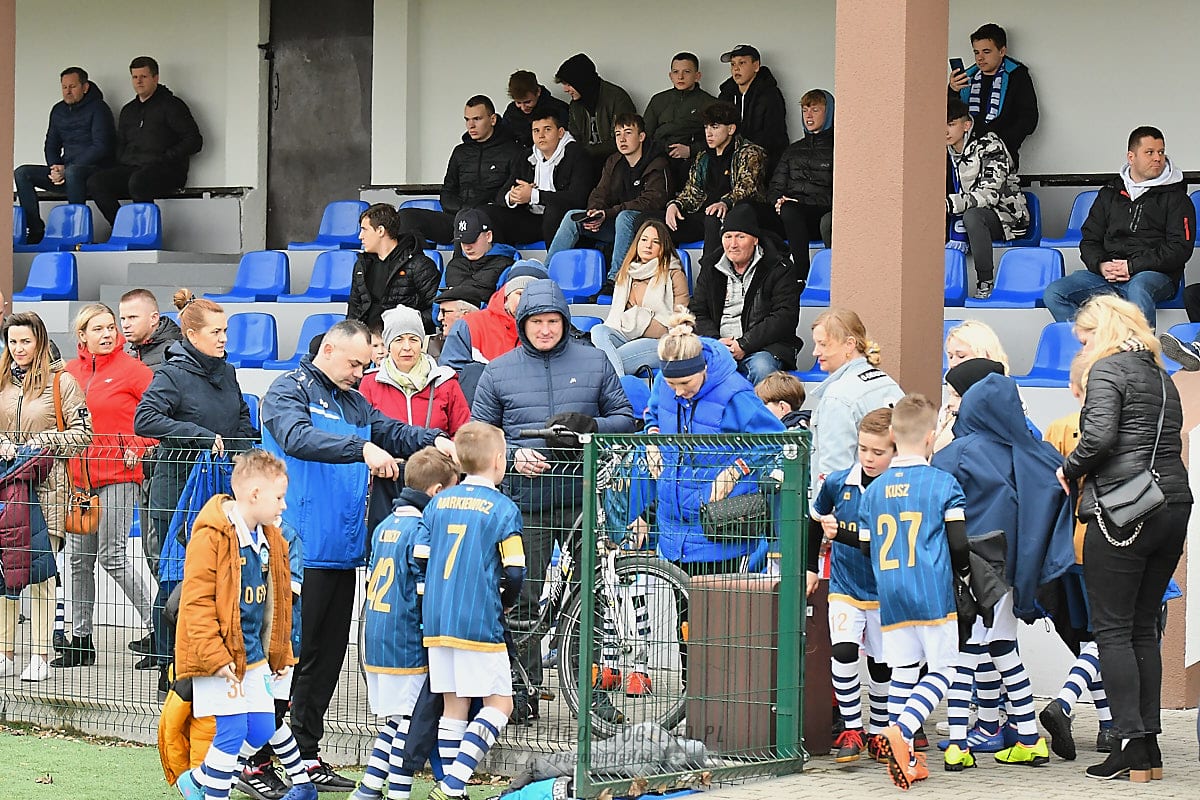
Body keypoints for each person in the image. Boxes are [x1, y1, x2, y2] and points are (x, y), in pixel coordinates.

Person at [260, 320, 453, 789]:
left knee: (326, 660)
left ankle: (305, 754)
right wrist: (360, 447)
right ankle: (259, 758)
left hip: (343, 551)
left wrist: (434, 439)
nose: (359, 373)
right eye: (354, 364)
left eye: (365, 366)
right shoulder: (287, 390)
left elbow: (389, 430)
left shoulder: (354, 400)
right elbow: (297, 438)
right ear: (328, 349)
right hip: (297, 549)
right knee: (286, 659)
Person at [471, 279, 636, 721]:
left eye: (552, 321)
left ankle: (588, 696)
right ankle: (521, 690)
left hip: (583, 499)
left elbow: (626, 418)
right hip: (525, 504)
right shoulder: (498, 371)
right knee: (522, 598)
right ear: (523, 324)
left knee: (591, 599)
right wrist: (512, 455)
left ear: (564, 321)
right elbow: (478, 434)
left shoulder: (595, 361)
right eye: (536, 322)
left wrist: (592, 426)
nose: (545, 329)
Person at [1058, 294, 1191, 781]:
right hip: (1173, 504)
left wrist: (1069, 469)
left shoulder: (1108, 370)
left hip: (1123, 508)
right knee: (1142, 628)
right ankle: (1149, 749)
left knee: (1112, 629)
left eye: (1085, 338)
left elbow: (1097, 439)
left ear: (1106, 331)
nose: (1083, 348)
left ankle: (1130, 744)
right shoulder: (1161, 374)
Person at [932, 364, 1067, 770]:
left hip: (969, 566)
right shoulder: (1035, 454)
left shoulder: (957, 453)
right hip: (1013, 569)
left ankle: (959, 744)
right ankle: (1029, 738)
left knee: (966, 651)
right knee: (1004, 646)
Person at [171, 450, 316, 800]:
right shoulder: (211, 536)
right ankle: (212, 792)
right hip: (220, 654)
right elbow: (196, 603)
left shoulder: (272, 539)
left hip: (253, 653)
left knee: (263, 727)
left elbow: (278, 605)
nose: (284, 505)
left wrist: (279, 653)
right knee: (232, 730)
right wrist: (215, 656)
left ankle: (199, 779)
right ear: (254, 495)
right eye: (278, 498)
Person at [134, 290, 258, 687]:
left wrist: (239, 450)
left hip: (220, 487)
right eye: (216, 332)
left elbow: (242, 419)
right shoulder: (171, 375)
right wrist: (198, 436)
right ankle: (170, 666)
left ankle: (207, 660)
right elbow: (145, 419)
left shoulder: (229, 372)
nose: (224, 338)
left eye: (225, 331)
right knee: (180, 577)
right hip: (177, 491)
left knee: (214, 576)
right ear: (191, 334)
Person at [863, 395, 971, 790]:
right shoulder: (943, 484)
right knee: (944, 670)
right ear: (930, 437)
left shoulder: (874, 490)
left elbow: (866, 545)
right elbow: (958, 544)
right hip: (931, 590)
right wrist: (964, 575)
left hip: (891, 591)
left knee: (904, 672)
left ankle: (905, 756)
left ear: (892, 434)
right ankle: (903, 729)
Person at [420, 422, 525, 800]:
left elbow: (420, 556)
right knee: (501, 704)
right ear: (498, 460)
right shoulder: (503, 508)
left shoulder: (438, 503)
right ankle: (454, 784)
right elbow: (515, 570)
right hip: (478, 620)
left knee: (454, 706)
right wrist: (507, 601)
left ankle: (451, 786)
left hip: (437, 618)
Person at [54, 304, 156, 669]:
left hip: (118, 476)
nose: (108, 334)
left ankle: (159, 626)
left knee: (112, 556)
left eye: (111, 327)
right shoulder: (68, 372)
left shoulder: (135, 371)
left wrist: (139, 446)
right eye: (98, 329)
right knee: (78, 560)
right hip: (79, 481)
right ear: (82, 335)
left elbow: (160, 417)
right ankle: (80, 640)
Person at [357, 447, 458, 800]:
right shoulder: (421, 530)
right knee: (411, 725)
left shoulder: (385, 524)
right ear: (437, 492)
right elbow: (422, 592)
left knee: (397, 720)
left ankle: (369, 789)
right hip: (405, 642)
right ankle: (396, 794)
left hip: (376, 638)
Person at [0, 312, 93, 682]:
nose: (18, 348)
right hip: (6, 488)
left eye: (25, 341)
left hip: (47, 491)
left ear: (39, 341)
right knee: (4, 575)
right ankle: (5, 652)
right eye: (12, 341)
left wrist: (44, 441)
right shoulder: (1, 379)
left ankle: (40, 654)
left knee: (41, 577)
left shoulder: (62, 381)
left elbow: (84, 433)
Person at [1038, 355, 1116, 761]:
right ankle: (1065, 701)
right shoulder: (1120, 424)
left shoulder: (1059, 428)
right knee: (1109, 635)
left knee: (1091, 637)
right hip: (1112, 542)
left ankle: (1108, 725)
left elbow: (1049, 489)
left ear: (1073, 388)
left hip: (1072, 546)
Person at [1043, 126, 1195, 329]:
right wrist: (1101, 265)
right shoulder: (1109, 193)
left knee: (1138, 289)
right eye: (1149, 152)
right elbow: (1090, 240)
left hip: (1155, 275)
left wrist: (1131, 267)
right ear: (1131, 157)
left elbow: (1179, 249)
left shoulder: (1177, 198)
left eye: (1161, 152)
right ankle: (1095, 343)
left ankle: (1141, 349)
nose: (1157, 158)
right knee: (1055, 293)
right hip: (1107, 275)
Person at [812, 409, 895, 762]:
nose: (869, 458)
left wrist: (839, 534)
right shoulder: (838, 482)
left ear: (895, 450)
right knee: (844, 651)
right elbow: (816, 519)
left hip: (887, 590)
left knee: (881, 663)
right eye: (863, 449)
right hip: (845, 586)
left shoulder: (899, 488)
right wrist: (810, 568)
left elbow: (875, 542)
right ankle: (852, 728)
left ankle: (879, 730)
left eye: (878, 452)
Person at [359, 305, 471, 533]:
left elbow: (463, 433)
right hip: (387, 484)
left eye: (413, 339)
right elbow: (363, 433)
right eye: (398, 339)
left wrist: (447, 466)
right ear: (387, 344)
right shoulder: (370, 383)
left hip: (438, 486)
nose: (407, 347)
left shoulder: (446, 382)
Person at [546, 113, 671, 286]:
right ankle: (546, 273)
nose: (622, 139)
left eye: (628, 133)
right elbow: (600, 192)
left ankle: (614, 279)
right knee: (572, 217)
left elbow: (651, 201)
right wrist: (595, 212)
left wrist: (610, 212)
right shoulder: (614, 161)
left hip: (647, 228)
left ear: (641, 136)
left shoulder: (657, 163)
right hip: (618, 224)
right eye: (618, 134)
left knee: (624, 217)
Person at [689, 204, 800, 384]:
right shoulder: (710, 267)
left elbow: (785, 316)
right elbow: (697, 311)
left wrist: (744, 344)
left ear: (755, 240)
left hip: (763, 348)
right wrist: (716, 342)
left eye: (740, 237)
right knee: (683, 364)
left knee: (762, 368)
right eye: (728, 237)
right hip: (718, 346)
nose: (733, 244)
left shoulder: (778, 267)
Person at [86, 56, 202, 228]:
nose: (138, 81)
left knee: (139, 181)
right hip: (133, 168)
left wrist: (166, 157)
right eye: (135, 77)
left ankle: (144, 233)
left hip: (166, 170)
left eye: (144, 76)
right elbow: (121, 143)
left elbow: (194, 140)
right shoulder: (128, 110)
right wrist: (122, 159)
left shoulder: (172, 105)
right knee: (96, 182)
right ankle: (124, 228)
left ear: (156, 78)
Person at [395, 96, 523, 246]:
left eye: (477, 119)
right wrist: (464, 210)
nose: (471, 125)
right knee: (405, 217)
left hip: (491, 222)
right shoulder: (460, 152)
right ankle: (419, 260)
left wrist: (475, 212)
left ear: (493, 120)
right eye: (467, 120)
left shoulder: (513, 152)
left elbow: (508, 196)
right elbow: (447, 193)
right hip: (457, 218)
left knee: (482, 217)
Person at [807, 308, 904, 500]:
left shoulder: (837, 397)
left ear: (849, 345)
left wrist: (825, 510)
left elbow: (834, 473)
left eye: (823, 344)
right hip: (893, 500)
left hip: (853, 509)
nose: (815, 352)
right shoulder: (887, 381)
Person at [14, 66, 115, 244]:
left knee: (73, 172)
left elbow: (101, 147)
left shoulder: (99, 108)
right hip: (66, 171)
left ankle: (76, 232)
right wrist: (54, 168)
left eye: (73, 86)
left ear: (85, 87)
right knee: (22, 173)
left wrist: (66, 169)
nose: (68, 91)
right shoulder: (58, 110)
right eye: (64, 87)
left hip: (94, 171)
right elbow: (51, 144)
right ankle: (35, 231)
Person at [945, 98, 1030, 299]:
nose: (944, 131)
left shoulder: (990, 145)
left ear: (966, 125)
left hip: (1005, 216)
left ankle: (985, 282)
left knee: (973, 216)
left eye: (951, 124)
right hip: (963, 211)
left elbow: (990, 195)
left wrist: (950, 204)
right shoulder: (940, 150)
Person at [664, 101, 767, 258]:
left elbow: (747, 188)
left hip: (734, 217)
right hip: (703, 216)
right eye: (706, 127)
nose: (709, 133)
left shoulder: (749, 153)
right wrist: (675, 204)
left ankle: (708, 272)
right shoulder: (703, 157)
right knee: (649, 221)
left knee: (713, 217)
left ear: (731, 129)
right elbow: (692, 192)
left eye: (715, 127)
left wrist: (725, 202)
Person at [589, 219, 689, 376]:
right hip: (627, 336)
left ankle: (618, 386)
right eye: (644, 240)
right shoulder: (626, 273)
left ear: (663, 247)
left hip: (661, 342)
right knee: (598, 331)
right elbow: (616, 319)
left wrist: (640, 318)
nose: (648, 245)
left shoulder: (674, 274)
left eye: (655, 242)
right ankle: (620, 384)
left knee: (604, 362)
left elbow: (678, 323)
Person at [437, 262, 547, 402]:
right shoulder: (470, 325)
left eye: (533, 294)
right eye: (520, 293)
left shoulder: (555, 331)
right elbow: (449, 378)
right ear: (507, 295)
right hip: (481, 409)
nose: (526, 300)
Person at [491, 109, 592, 246]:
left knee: (554, 209)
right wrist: (513, 196)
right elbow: (501, 195)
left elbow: (578, 198)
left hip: (563, 222)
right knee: (489, 213)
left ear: (560, 132)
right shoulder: (526, 156)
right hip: (532, 220)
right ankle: (497, 258)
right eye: (536, 131)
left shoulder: (577, 155)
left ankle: (554, 259)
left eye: (547, 129)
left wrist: (535, 196)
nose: (541, 135)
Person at [947, 23, 1038, 167]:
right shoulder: (968, 76)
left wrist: (1002, 142)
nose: (980, 58)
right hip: (964, 152)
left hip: (999, 153)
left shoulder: (1017, 76)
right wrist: (953, 90)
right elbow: (950, 116)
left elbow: (1029, 119)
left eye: (986, 52)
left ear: (1002, 51)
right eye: (976, 52)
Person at [769, 89, 835, 283]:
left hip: (818, 217)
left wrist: (798, 202)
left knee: (790, 209)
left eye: (815, 109)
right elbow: (775, 187)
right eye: (805, 110)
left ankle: (801, 277)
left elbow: (839, 195)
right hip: (789, 214)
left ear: (829, 112)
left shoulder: (838, 148)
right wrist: (778, 201)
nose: (808, 115)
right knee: (747, 210)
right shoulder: (793, 150)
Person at [348, 203, 441, 334]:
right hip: (367, 338)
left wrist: (405, 325)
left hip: (403, 337)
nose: (360, 236)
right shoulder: (362, 265)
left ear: (380, 231)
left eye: (365, 230)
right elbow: (354, 308)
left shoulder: (419, 265)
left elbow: (436, 308)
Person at [642, 53, 716, 187]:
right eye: (676, 72)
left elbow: (720, 138)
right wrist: (662, 148)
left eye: (686, 72)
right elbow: (645, 134)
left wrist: (691, 150)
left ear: (697, 76)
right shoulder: (659, 100)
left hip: (693, 159)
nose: (680, 77)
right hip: (659, 156)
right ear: (670, 76)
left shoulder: (709, 103)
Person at [554, 53, 636, 172]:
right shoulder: (575, 105)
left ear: (581, 81)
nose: (565, 90)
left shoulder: (617, 98)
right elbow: (573, 137)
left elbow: (624, 139)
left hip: (617, 162)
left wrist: (587, 151)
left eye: (568, 84)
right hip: (586, 162)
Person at [716, 44, 788, 171]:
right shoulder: (725, 94)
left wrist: (742, 151)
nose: (736, 68)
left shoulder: (770, 95)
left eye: (742, 63)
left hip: (763, 162)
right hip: (730, 159)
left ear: (756, 66)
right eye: (733, 64)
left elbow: (773, 137)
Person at [441, 208, 518, 308]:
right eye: (463, 241)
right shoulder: (453, 266)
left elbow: (504, 309)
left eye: (472, 240)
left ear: (488, 236)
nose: (467, 247)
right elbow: (436, 308)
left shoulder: (507, 267)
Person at [502, 70, 570, 149]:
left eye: (527, 102)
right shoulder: (511, 112)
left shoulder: (558, 108)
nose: (523, 107)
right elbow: (504, 136)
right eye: (518, 103)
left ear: (538, 92)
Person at [120, 288, 183, 370]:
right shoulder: (129, 354)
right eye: (123, 319)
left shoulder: (176, 353)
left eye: (132, 317)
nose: (125, 325)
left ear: (154, 318)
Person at [426, 288, 478, 362]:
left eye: (444, 312)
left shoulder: (489, 347)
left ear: (466, 315)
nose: (439, 318)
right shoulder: (428, 345)